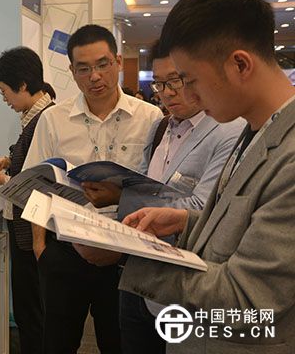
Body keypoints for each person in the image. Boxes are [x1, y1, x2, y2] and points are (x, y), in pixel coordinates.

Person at [74, 0, 295, 353]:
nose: (186, 95)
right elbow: (244, 225)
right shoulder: (256, 131)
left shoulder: (286, 154)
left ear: (240, 64)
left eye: (190, 80)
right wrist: (186, 221)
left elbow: (250, 304)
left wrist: (129, 255)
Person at [83, 40, 244, 353]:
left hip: (185, 284)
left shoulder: (229, 131)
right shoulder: (160, 126)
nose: (167, 92)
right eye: (159, 83)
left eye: (176, 81)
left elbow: (203, 208)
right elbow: (143, 184)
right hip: (137, 276)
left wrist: (120, 198)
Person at [23, 24, 162, 353]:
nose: (94, 76)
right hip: (66, 250)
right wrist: (41, 248)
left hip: (125, 254)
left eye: (102, 64)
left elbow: (159, 188)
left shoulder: (150, 118)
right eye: (83, 68)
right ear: (72, 71)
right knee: (57, 343)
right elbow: (35, 184)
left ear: (117, 61)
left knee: (120, 343)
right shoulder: (54, 119)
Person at [0, 46, 55, 354]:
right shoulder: (35, 117)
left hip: (33, 233)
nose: (5, 99)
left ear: (22, 85)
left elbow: (42, 186)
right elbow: (31, 161)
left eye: (4, 91)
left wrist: (3, 180)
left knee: (32, 311)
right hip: (26, 229)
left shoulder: (46, 120)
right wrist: (9, 161)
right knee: (31, 309)